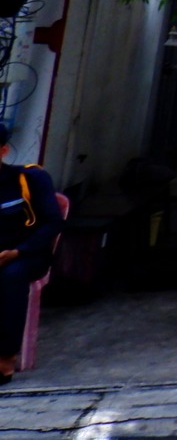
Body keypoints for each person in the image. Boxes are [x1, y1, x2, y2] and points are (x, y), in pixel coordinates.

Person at [0, 133, 63, 383]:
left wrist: (19, 251)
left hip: (25, 255)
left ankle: (5, 358)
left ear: (3, 151)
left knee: (10, 276)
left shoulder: (30, 178)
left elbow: (53, 222)